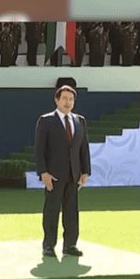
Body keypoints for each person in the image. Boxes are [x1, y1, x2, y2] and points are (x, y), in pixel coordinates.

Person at [34, 84, 90, 258]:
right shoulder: (46, 120)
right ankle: (49, 245)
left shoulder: (80, 120)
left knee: (71, 211)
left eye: (71, 99)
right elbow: (39, 149)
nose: (68, 102)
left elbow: (83, 148)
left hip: (74, 175)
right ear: (56, 100)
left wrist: (85, 171)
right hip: (54, 175)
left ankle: (70, 245)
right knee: (51, 210)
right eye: (64, 98)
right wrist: (43, 172)